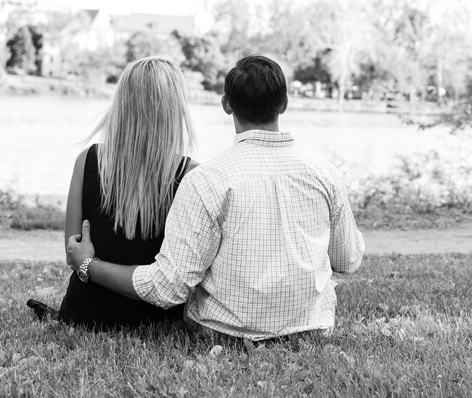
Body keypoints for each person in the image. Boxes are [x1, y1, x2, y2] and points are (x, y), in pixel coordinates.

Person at [66, 55, 365, 341]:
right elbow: (348, 260)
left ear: (226, 105)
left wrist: (87, 266)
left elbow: (161, 284)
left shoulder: (206, 179)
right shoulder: (326, 174)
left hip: (210, 329)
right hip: (308, 328)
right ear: (284, 104)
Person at [28, 56, 199, 329]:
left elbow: (73, 252)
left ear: (121, 103)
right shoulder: (191, 173)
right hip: (156, 321)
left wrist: (88, 264)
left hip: (84, 315)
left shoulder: (88, 160)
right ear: (174, 108)